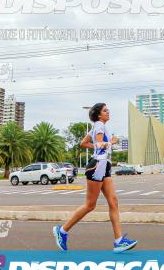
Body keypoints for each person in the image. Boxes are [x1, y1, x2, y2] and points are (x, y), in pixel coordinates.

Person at [53, 103, 137, 253]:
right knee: (90, 205)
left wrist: (101, 146)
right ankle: (62, 231)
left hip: (104, 165)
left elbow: (84, 143)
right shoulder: (99, 125)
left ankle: (119, 242)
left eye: (108, 110)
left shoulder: (97, 126)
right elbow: (99, 144)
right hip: (97, 165)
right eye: (105, 110)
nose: (108, 112)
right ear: (99, 115)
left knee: (113, 201)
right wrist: (111, 142)